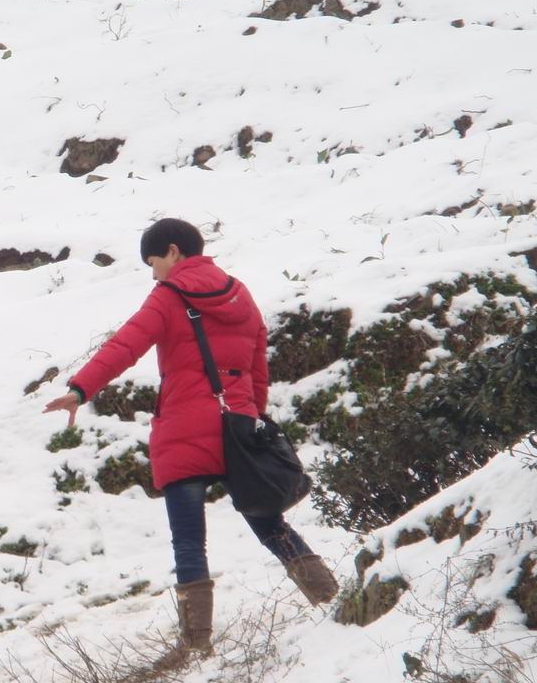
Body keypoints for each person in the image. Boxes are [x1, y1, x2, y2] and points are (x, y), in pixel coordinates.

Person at [44, 219, 338, 653]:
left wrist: (81, 389)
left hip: (184, 432)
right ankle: (331, 600)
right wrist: (252, 416)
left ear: (174, 251)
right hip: (235, 431)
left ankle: (197, 645)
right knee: (270, 524)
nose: (153, 272)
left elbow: (125, 345)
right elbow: (258, 364)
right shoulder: (239, 293)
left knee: (188, 541)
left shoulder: (168, 296)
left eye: (154, 261)